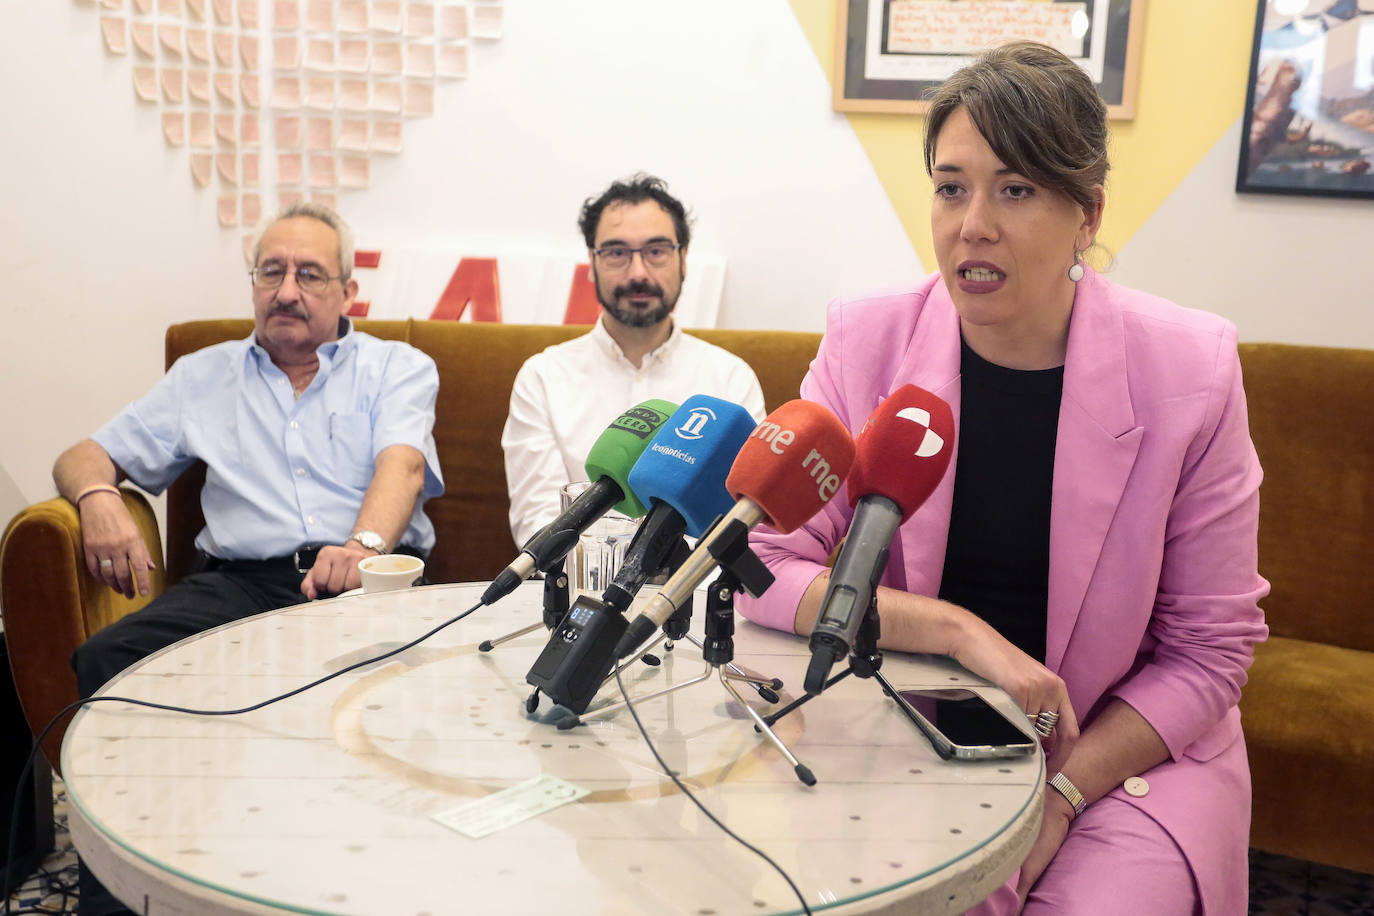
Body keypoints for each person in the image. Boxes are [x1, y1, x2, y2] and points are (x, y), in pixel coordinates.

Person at [736, 42, 1269, 916]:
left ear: (1086, 212)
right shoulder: (865, 342)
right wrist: (952, 631)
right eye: (951, 187)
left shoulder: (1192, 370)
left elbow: (1209, 653)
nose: (972, 223)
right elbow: (765, 565)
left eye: (1014, 190)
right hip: (916, 733)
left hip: (1124, 750)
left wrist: (1065, 793)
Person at [55, 202, 443, 914]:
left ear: (348, 291)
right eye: (272, 271)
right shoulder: (203, 376)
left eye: (310, 274)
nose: (287, 290)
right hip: (240, 586)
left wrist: (363, 546)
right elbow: (82, 454)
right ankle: (127, 893)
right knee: (108, 661)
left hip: (370, 583)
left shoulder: (396, 366)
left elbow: (404, 467)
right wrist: (97, 496)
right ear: (254, 282)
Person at [501, 174, 765, 545]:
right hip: (578, 590)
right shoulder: (543, 377)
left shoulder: (730, 379)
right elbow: (538, 523)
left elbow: (742, 520)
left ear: (683, 259)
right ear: (592, 263)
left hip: (692, 594)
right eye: (616, 253)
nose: (638, 272)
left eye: (656, 251)